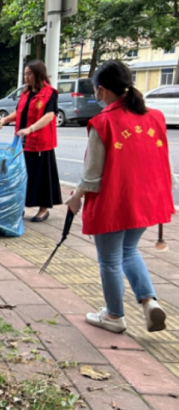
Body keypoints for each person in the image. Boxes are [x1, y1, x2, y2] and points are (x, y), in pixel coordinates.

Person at [64, 61, 173, 334]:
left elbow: (92, 175)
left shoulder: (103, 122)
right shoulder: (155, 117)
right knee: (129, 250)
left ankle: (114, 315)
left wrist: (76, 197)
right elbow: (162, 161)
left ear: (102, 91)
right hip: (146, 198)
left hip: (114, 200)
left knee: (110, 259)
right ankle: (148, 302)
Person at [0, 59, 61, 221]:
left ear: (39, 74)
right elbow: (19, 113)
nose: (26, 77)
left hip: (40, 143)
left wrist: (31, 128)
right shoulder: (25, 93)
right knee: (21, 175)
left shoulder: (49, 93)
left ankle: (43, 209)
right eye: (25, 74)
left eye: (29, 74)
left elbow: (49, 116)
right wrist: (4, 120)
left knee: (41, 177)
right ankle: (20, 206)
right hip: (22, 142)